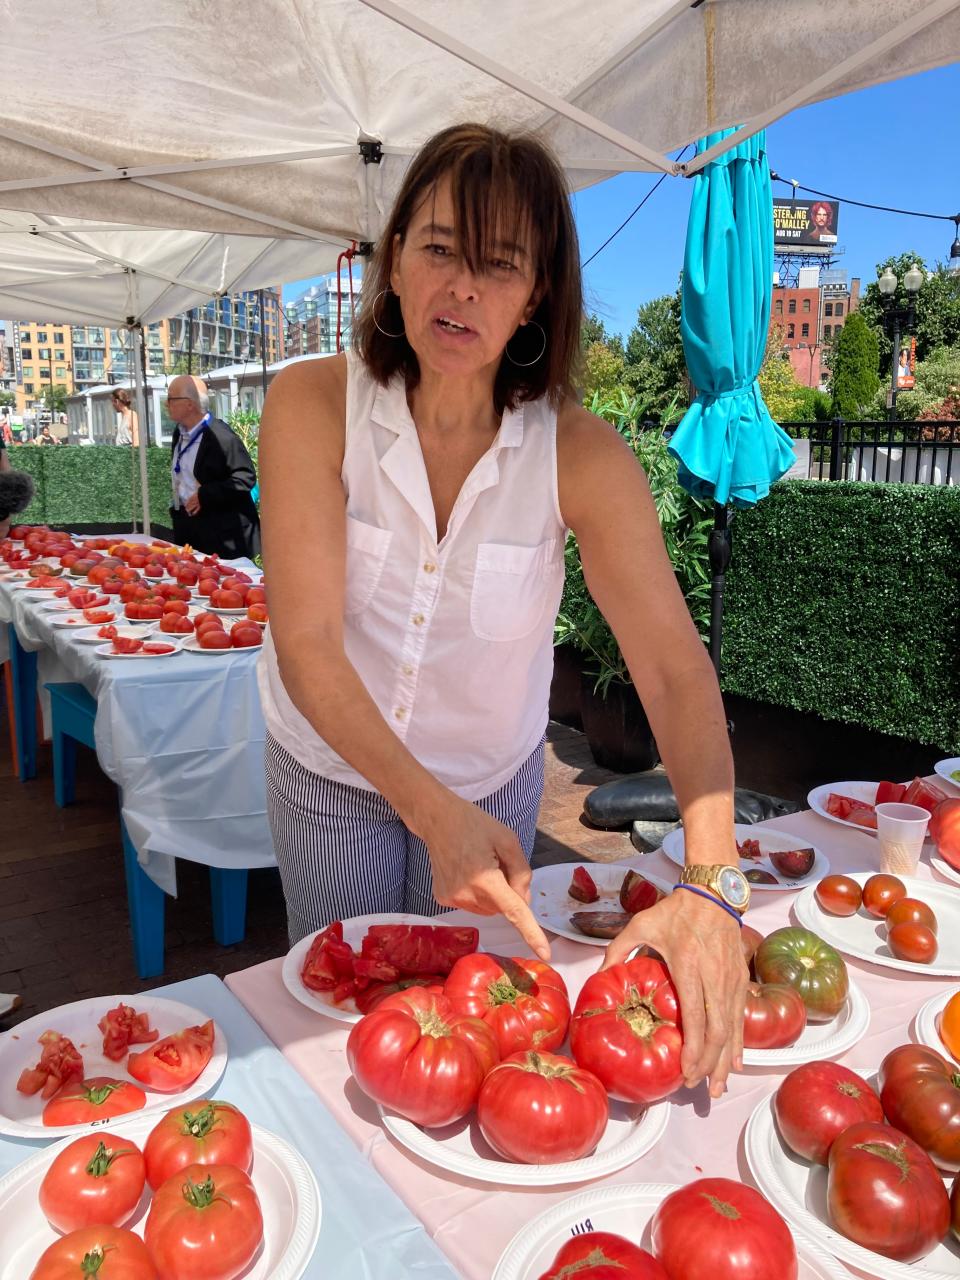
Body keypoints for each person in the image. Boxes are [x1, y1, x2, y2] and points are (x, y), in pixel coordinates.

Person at [258, 123, 747, 1098]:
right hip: (330, 771)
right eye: (439, 247)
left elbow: (673, 667)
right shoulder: (310, 402)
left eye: (500, 263)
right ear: (394, 260)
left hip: (490, 782)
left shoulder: (583, 457)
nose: (463, 287)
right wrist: (427, 809)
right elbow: (307, 641)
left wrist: (715, 882)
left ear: (538, 298)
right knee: (347, 1029)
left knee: (469, 1029)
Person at [166, 375, 260, 558]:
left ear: (190, 404)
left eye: (171, 399)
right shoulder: (179, 432)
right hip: (191, 530)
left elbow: (245, 477)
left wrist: (205, 495)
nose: (166, 405)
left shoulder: (221, 436)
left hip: (222, 536)